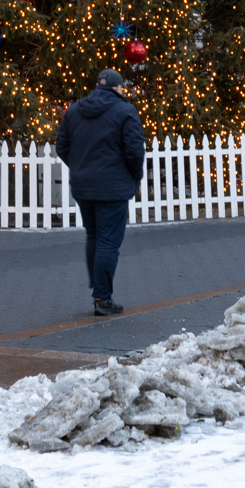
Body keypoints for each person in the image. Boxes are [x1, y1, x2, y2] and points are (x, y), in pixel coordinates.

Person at [56, 69, 147, 316]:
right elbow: (135, 150)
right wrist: (134, 176)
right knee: (108, 241)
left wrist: (79, 167)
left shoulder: (74, 110)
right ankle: (102, 297)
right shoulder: (125, 111)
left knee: (93, 235)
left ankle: (99, 288)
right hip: (113, 187)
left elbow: (62, 147)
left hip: (84, 186)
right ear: (117, 88)